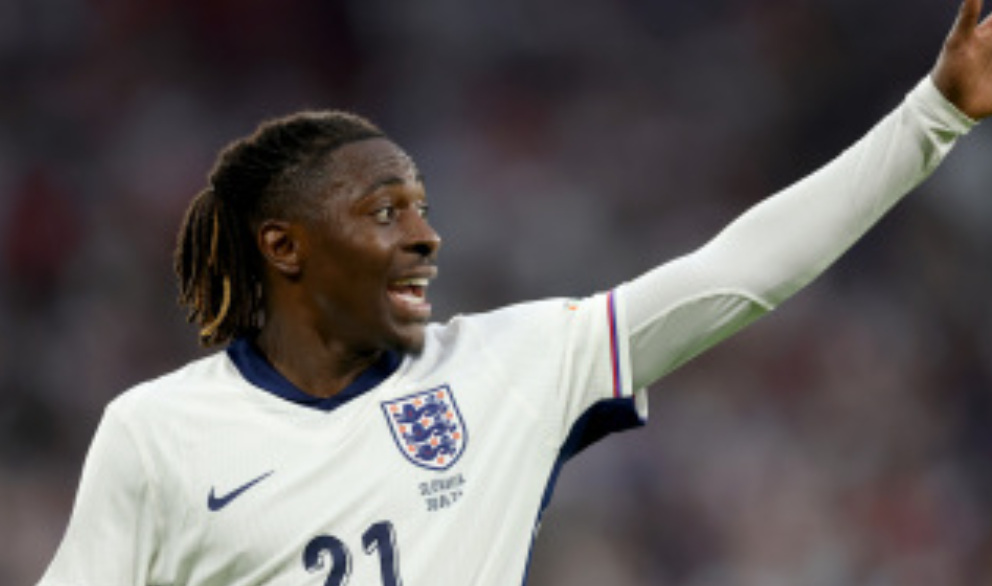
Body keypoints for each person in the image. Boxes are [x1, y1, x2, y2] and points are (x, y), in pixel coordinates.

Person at [38, 1, 992, 584]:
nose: (423, 237)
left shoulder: (504, 369)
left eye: (419, 210)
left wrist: (933, 117)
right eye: (381, 214)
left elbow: (734, 274)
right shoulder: (156, 434)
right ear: (285, 249)